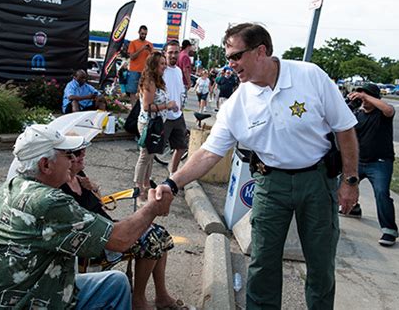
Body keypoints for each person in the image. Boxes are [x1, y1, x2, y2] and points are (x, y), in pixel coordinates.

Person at [156, 23, 359, 309]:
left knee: (321, 263)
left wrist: (349, 181)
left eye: (236, 56)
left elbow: (345, 128)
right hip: (270, 185)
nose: (231, 64)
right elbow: (208, 153)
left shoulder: (310, 76)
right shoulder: (238, 103)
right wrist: (172, 182)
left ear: (261, 51)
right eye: (229, 58)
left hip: (316, 181)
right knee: (263, 263)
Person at [0, 124, 173, 309]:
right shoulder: (49, 201)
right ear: (45, 164)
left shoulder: (3, 190)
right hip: (30, 303)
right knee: (115, 285)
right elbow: (120, 240)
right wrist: (151, 208)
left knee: (115, 282)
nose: (72, 161)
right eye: (67, 155)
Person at [60, 144, 189, 310]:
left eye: (83, 150)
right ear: (65, 158)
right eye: (76, 152)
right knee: (152, 238)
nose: (83, 154)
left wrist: (93, 188)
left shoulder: (79, 177)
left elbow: (100, 205)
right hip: (95, 239)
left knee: (158, 233)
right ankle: (138, 300)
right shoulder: (60, 188)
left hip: (108, 226)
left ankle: (161, 295)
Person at [345, 83, 399, 246]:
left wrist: (366, 96)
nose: (362, 97)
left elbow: (389, 110)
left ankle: (389, 230)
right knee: (340, 186)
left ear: (374, 97)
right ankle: (354, 208)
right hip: (359, 162)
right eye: (359, 93)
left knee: (382, 193)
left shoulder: (382, 114)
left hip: (380, 162)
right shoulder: (357, 114)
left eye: (366, 94)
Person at [134, 52, 178, 201]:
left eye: (165, 63)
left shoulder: (157, 80)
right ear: (153, 65)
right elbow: (147, 106)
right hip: (148, 124)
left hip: (157, 123)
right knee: (145, 156)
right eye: (161, 63)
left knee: (151, 156)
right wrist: (167, 105)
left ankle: (146, 185)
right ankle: (138, 188)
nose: (165, 66)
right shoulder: (149, 81)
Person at [162, 40, 188, 176]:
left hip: (178, 116)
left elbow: (179, 91)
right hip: (164, 117)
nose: (173, 55)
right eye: (170, 52)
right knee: (153, 150)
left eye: (176, 52)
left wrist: (181, 105)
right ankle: (144, 181)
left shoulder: (178, 71)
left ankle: (172, 174)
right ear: (165, 53)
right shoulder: (161, 70)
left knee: (181, 147)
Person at [127, 25, 154, 105]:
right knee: (133, 91)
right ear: (139, 32)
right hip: (134, 70)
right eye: (142, 33)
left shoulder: (150, 44)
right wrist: (141, 49)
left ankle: (141, 108)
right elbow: (132, 57)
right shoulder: (133, 43)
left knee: (144, 91)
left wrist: (149, 50)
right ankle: (133, 109)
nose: (143, 36)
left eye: (145, 34)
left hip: (145, 71)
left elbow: (153, 58)